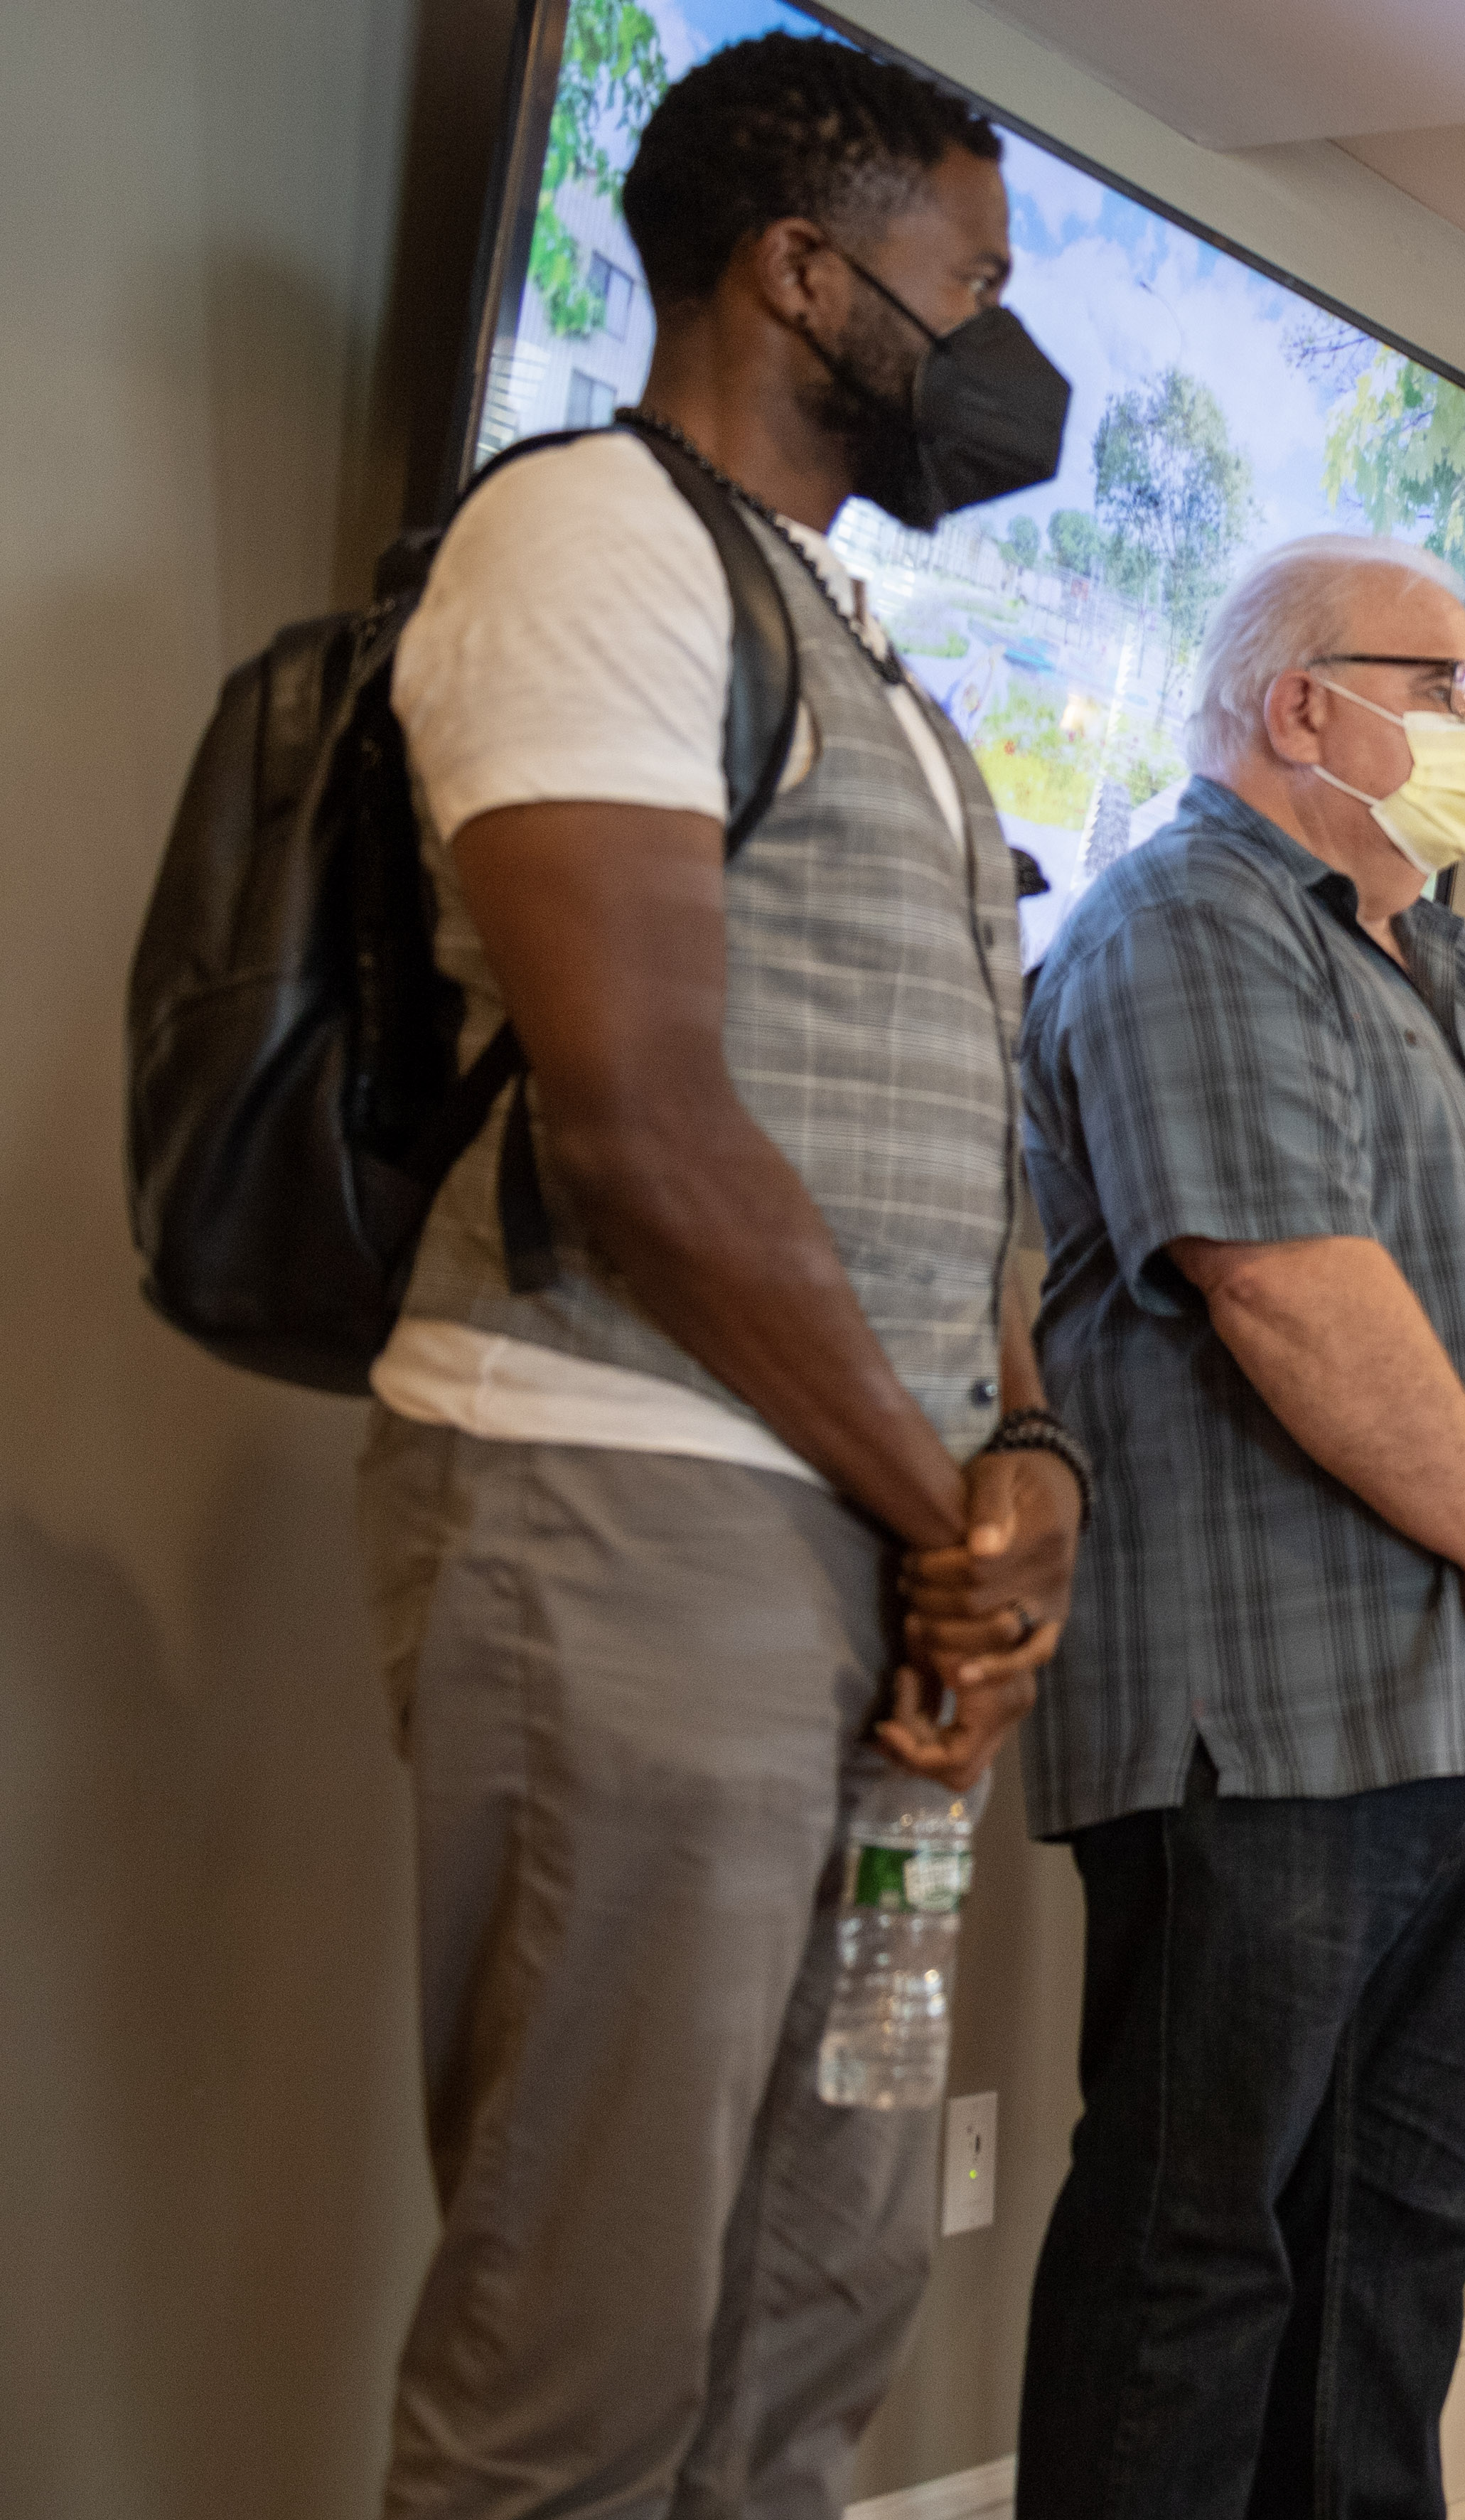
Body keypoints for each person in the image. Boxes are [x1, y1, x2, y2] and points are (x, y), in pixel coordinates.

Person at [360, 36, 1082, 2516]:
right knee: (588, 2327)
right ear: (803, 271)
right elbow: (642, 1126)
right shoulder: (586, 538)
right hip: (630, 1508)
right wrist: (944, 1509)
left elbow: (963, 1139)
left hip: (882, 1574)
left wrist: (1026, 1457)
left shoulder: (872, 661)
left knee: (821, 2280)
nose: (1000, 349)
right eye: (969, 284)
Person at [1009, 535, 1465, 2519]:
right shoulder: (1190, 921)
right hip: (1269, 1717)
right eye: (1448, 687)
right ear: (1302, 706)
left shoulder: (1457, 965)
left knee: (1403, 2237)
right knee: (1198, 2247)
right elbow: (1277, 1275)